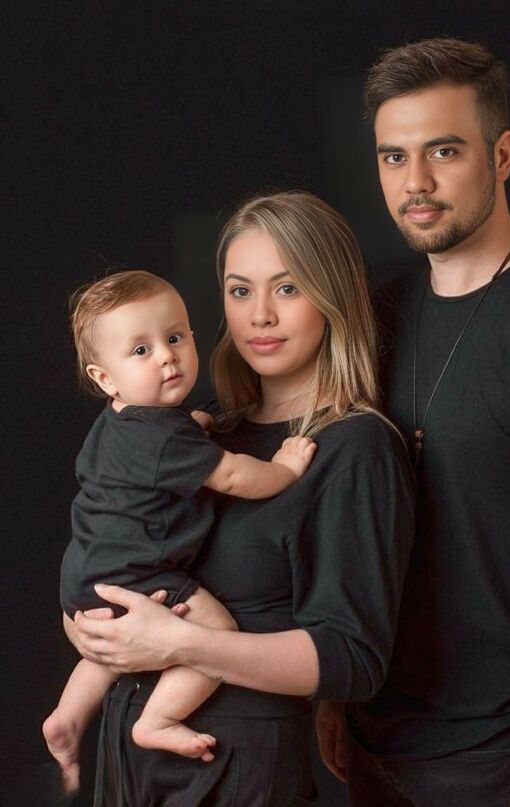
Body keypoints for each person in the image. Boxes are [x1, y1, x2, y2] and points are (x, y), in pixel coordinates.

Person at [315, 37, 510, 806]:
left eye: (444, 151)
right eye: (393, 157)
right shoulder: (376, 315)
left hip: (506, 753)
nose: (416, 182)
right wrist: (334, 690)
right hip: (376, 739)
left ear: (501, 154)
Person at [67, 192, 415, 805]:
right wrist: (90, 629)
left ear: (331, 296)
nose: (260, 315)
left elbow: (353, 659)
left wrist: (180, 643)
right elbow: (117, 546)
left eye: (287, 288)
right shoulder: (202, 433)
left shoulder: (353, 448)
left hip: (237, 771)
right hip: (130, 763)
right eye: (240, 290)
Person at [43, 269, 317, 793]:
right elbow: (233, 476)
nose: (166, 357)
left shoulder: (118, 424)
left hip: (85, 574)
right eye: (141, 350)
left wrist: (194, 427)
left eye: (174, 337)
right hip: (138, 572)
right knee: (216, 633)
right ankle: (159, 720)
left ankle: (68, 715)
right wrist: (284, 468)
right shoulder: (168, 440)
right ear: (105, 378)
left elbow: (166, 445)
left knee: (107, 651)